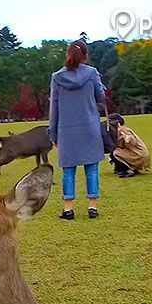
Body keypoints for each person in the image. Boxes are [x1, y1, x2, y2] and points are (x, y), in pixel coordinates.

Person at [48, 40, 107, 220]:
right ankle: (92, 207)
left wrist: (53, 133)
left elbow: (54, 107)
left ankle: (68, 209)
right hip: (90, 126)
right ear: (85, 55)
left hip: (66, 129)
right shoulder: (92, 73)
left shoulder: (57, 77)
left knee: (68, 171)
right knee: (92, 169)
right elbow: (101, 96)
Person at [108, 113, 150, 178]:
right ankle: (120, 169)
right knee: (113, 152)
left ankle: (128, 170)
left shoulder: (124, 130)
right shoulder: (118, 130)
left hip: (138, 154)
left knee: (116, 153)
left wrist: (123, 134)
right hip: (138, 153)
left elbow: (130, 140)